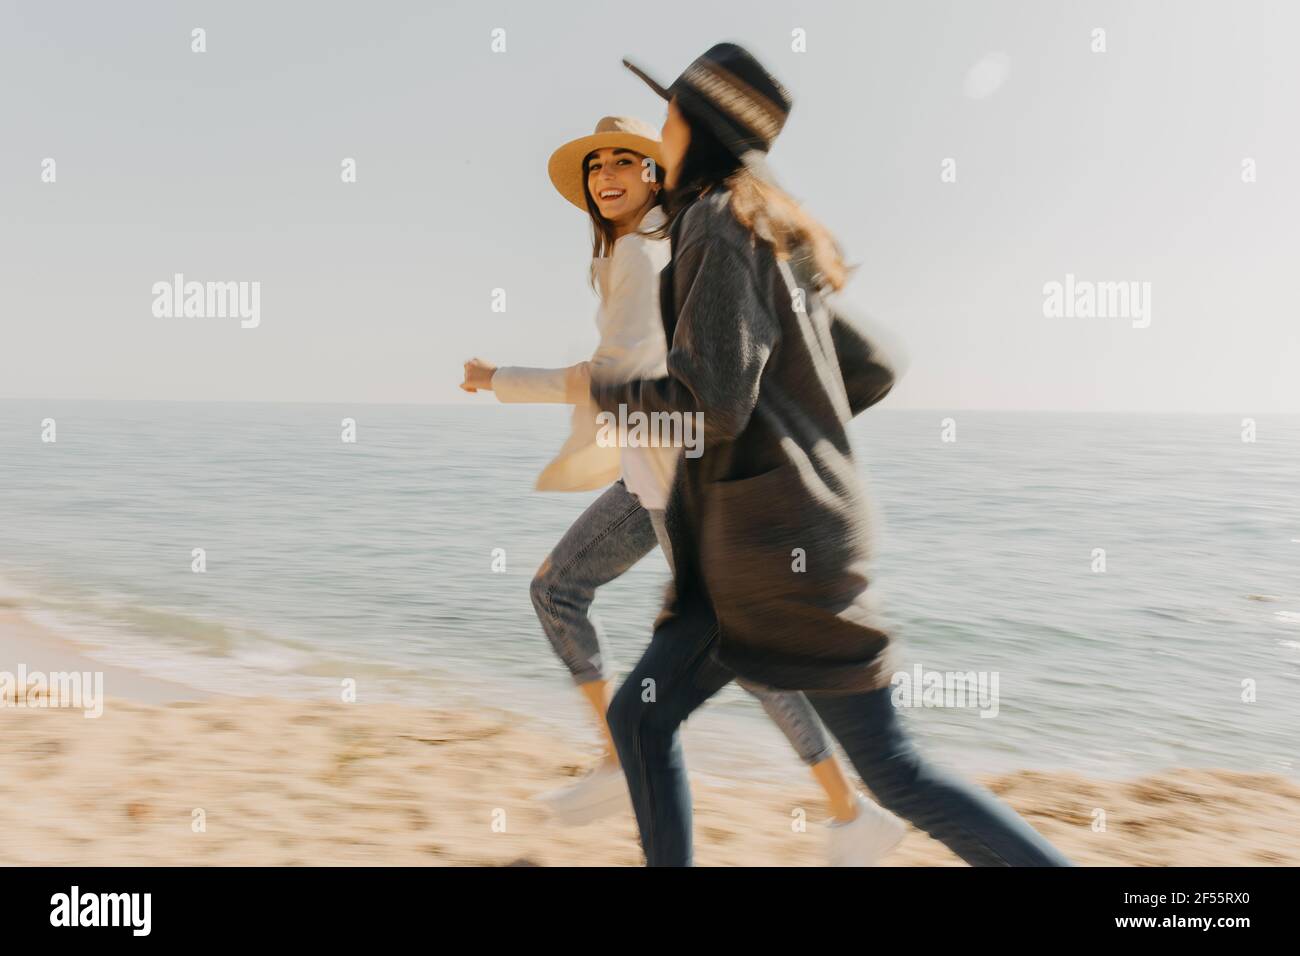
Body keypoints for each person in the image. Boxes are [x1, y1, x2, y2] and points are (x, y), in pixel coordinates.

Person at [594, 44, 1073, 866]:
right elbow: (876, 364)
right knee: (641, 716)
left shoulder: (713, 224)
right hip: (749, 558)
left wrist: (607, 391)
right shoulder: (771, 230)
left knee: (896, 773)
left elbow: (708, 405)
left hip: (775, 561)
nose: (659, 136)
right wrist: (800, 427)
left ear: (692, 128)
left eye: (669, 116)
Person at [460, 115, 903, 865]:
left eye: (625, 162)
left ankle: (844, 807)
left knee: (743, 652)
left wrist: (500, 379)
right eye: (595, 165)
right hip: (649, 478)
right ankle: (621, 759)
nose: (606, 175)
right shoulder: (637, 251)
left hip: (679, 488)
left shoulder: (646, 252)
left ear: (655, 174)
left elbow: (612, 380)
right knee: (557, 590)